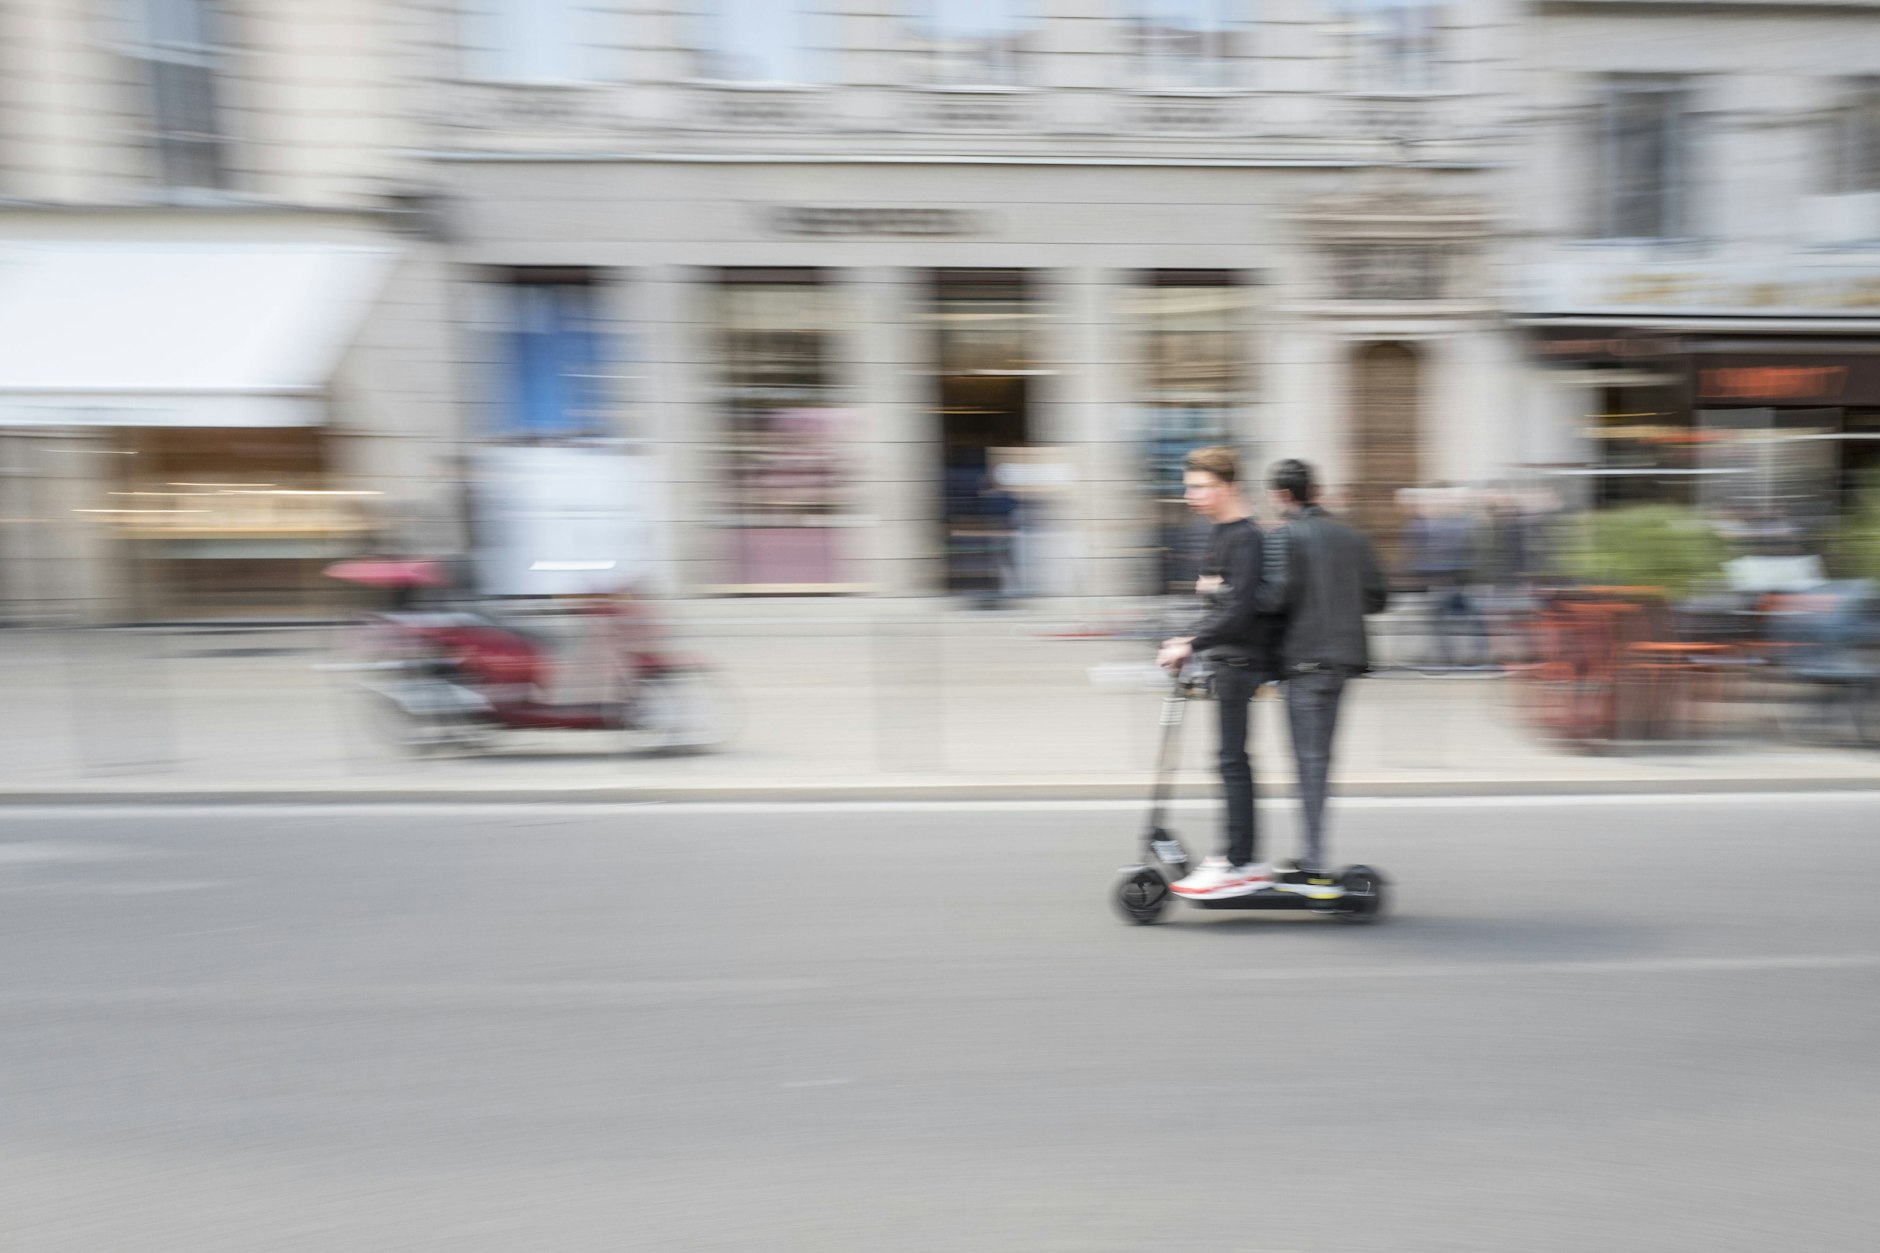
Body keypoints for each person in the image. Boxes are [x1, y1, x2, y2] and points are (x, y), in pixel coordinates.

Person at [1154, 446, 1283, 900]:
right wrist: (1192, 634)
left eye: (1202, 487)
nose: (1191, 495)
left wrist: (1192, 641)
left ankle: (1241, 862)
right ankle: (1236, 857)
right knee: (1229, 759)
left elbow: (1238, 608)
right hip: (1225, 656)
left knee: (1232, 760)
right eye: (1189, 487)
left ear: (1230, 488)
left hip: (1241, 660)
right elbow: (1215, 601)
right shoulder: (1219, 533)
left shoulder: (1245, 537)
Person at [1256, 458, 1389, 873]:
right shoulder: (1352, 537)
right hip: (1342, 663)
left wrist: (1221, 593)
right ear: (1315, 491)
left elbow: (1273, 599)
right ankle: (1311, 853)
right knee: (1321, 760)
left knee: (1309, 763)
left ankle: (1313, 860)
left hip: (1303, 663)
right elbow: (1379, 598)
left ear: (1282, 495)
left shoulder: (1283, 537)